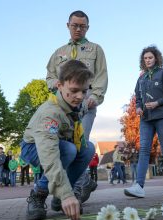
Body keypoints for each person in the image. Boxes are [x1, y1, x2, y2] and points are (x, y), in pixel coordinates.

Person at [21, 59, 95, 220]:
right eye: (74, 90)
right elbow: (50, 155)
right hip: (33, 146)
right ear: (60, 86)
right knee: (69, 151)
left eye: (84, 91)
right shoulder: (50, 113)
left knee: (88, 148)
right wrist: (67, 194)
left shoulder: (78, 104)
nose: (79, 96)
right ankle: (38, 195)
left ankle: (58, 199)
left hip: (61, 143)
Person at [46, 10, 105, 205]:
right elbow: (49, 76)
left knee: (81, 144)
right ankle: (82, 182)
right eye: (75, 25)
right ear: (68, 25)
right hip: (63, 103)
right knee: (65, 147)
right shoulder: (58, 52)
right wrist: (55, 84)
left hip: (85, 101)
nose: (78, 29)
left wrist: (95, 96)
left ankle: (76, 190)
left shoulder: (95, 49)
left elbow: (101, 76)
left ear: (87, 27)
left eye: (82, 26)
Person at [124, 46, 163, 198]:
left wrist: (157, 103)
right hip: (146, 119)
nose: (147, 60)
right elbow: (138, 97)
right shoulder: (141, 78)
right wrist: (139, 108)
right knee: (144, 150)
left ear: (156, 58)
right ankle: (139, 186)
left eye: (150, 57)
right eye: (145, 58)